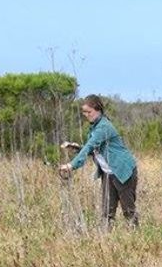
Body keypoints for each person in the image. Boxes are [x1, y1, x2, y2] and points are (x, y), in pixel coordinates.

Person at [59, 95, 139, 228]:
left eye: (89, 112)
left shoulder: (103, 127)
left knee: (129, 211)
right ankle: (106, 242)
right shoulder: (95, 127)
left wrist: (71, 165)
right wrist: (76, 148)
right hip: (108, 174)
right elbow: (93, 149)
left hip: (122, 171)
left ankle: (137, 240)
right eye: (84, 112)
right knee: (107, 212)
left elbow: (90, 146)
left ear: (98, 109)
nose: (86, 115)